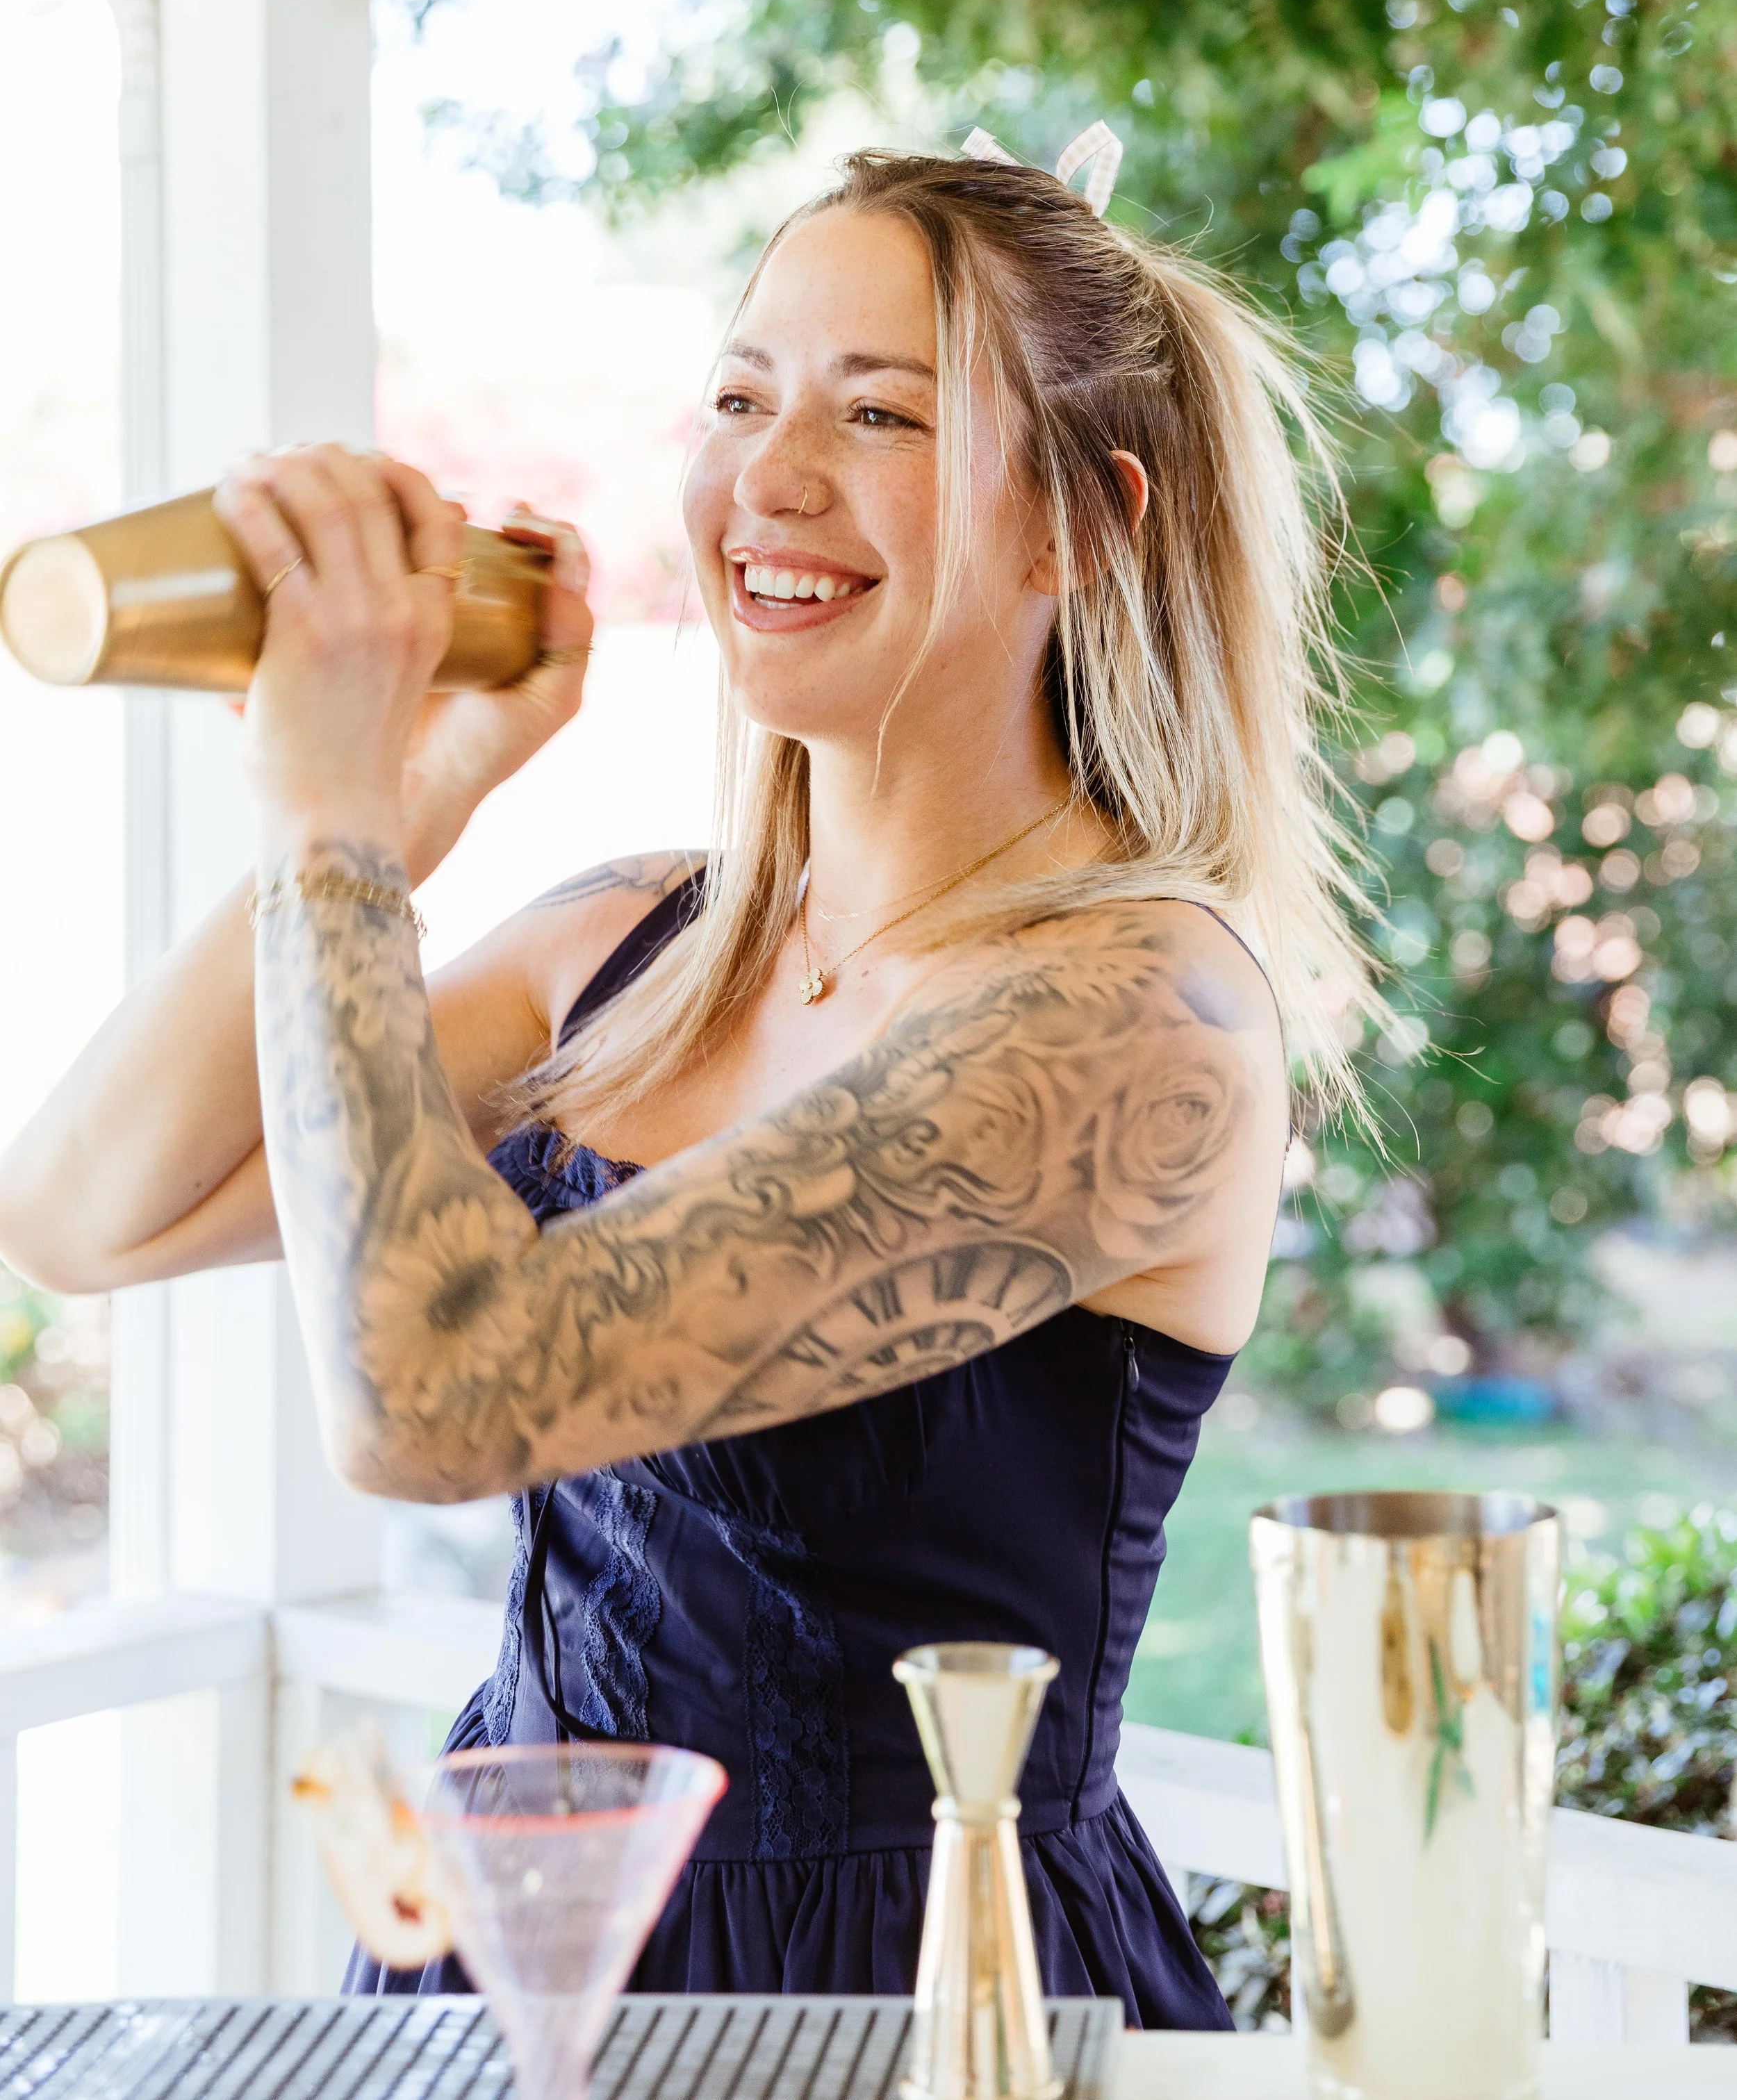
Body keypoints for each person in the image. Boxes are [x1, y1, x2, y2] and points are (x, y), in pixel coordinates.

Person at [0, 138, 1374, 2026]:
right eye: (739, 395)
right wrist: (395, 805)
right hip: (519, 1978)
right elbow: (85, 1206)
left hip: (919, 2003)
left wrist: (326, 821)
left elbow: (430, 1397)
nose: (769, 475)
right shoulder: (630, 946)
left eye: (879, 411)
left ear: (1083, 525)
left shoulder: (1134, 1015)